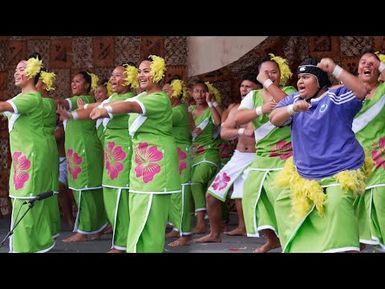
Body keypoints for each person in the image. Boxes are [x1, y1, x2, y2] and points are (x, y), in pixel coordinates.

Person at [270, 57, 370, 252]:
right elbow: (274, 118)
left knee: (337, 204)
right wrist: (293, 108)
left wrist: (334, 68)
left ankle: (347, 247)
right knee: (283, 202)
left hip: (341, 169)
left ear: (320, 80)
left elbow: (361, 91)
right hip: (307, 172)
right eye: (299, 77)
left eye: (306, 77)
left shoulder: (337, 97)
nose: (300, 82)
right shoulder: (294, 100)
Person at [90, 55, 181, 253]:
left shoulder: (159, 99)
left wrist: (104, 110)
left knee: (149, 223)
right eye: (139, 71)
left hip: (156, 170)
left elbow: (130, 107)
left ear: (158, 74)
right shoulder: (141, 97)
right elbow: (124, 103)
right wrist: (78, 112)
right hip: (140, 169)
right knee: (139, 219)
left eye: (146, 71)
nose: (141, 75)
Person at [235, 54, 296, 252]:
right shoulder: (253, 97)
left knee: (283, 201)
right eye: (266, 72)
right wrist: (261, 109)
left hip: (286, 156)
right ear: (259, 74)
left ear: (280, 74)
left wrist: (268, 83)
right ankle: (272, 239)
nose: (270, 75)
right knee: (253, 196)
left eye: (274, 72)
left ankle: (290, 242)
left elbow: (287, 103)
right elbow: (238, 118)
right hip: (262, 156)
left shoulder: (288, 91)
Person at [0, 54, 56, 252]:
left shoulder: (32, 98)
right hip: (24, 158)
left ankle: (25, 249)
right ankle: (38, 245)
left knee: (25, 204)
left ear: (33, 72)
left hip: (31, 158)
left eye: (22, 69)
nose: (16, 72)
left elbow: (4, 107)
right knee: (26, 203)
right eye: (16, 68)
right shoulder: (22, 97)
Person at [194, 73, 259, 243]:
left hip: (260, 156)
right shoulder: (236, 108)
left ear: (258, 89)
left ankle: (256, 229)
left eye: (249, 86)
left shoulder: (265, 107)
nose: (244, 89)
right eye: (242, 86)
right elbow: (223, 132)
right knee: (212, 194)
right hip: (239, 157)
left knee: (246, 193)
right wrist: (241, 131)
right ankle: (215, 234)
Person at [56, 71, 108, 242]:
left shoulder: (84, 100)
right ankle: (98, 228)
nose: (74, 84)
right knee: (87, 191)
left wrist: (53, 102)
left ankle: (83, 231)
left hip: (85, 151)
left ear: (87, 85)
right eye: (72, 81)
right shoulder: (79, 102)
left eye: (78, 81)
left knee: (85, 191)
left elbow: (65, 102)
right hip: (77, 153)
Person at [352, 49, 385, 251]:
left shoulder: (383, 90)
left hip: (381, 157)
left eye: (373, 64)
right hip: (353, 161)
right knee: (356, 209)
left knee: (381, 201)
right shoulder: (345, 91)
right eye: (363, 62)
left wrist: (379, 63)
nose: (367, 65)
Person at [163, 78, 194, 247]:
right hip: (173, 154)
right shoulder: (176, 108)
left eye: (167, 91)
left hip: (181, 154)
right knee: (173, 194)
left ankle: (186, 234)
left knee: (180, 195)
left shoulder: (179, 110)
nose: (164, 94)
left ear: (176, 92)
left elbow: (162, 118)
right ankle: (176, 227)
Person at [189, 80, 221, 234]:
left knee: (196, 182)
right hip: (193, 154)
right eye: (196, 91)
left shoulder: (211, 109)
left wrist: (210, 103)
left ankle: (201, 222)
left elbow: (217, 122)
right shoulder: (189, 110)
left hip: (209, 153)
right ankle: (221, 220)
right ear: (191, 93)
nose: (199, 94)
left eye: (202, 91)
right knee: (208, 189)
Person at [36, 67, 61, 238]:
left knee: (41, 187)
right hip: (47, 145)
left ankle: (45, 231)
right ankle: (49, 229)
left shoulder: (43, 103)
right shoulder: (48, 102)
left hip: (41, 147)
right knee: (46, 186)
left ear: (43, 84)